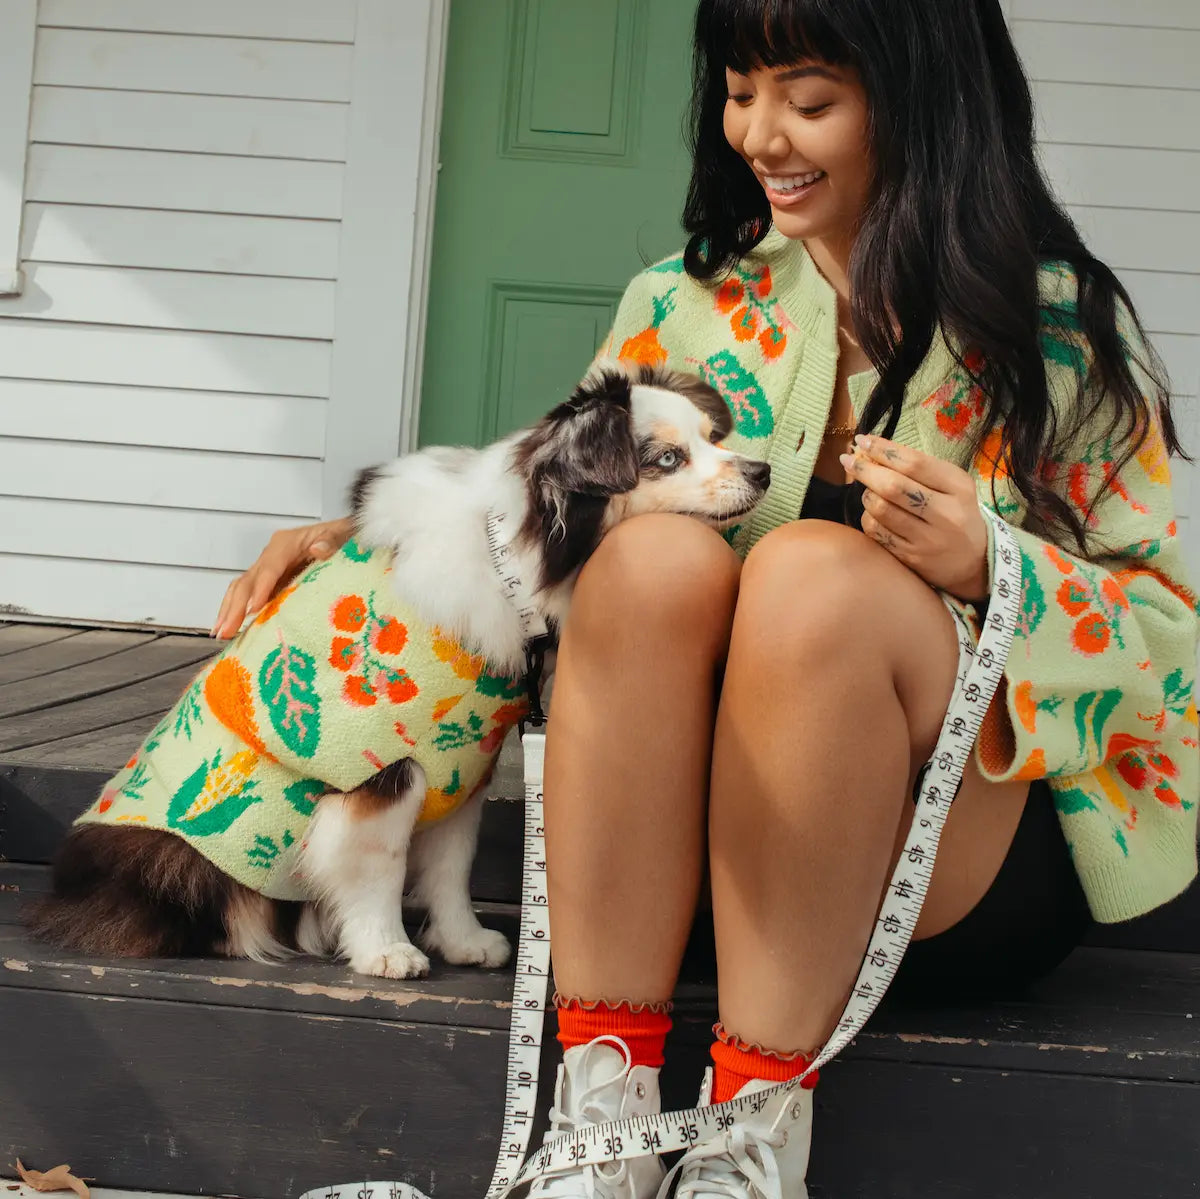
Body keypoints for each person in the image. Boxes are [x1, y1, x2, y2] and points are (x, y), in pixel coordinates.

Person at [212, 1, 1199, 1195]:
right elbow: (539, 506)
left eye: (811, 99)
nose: (762, 135)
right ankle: (605, 1121)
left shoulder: (1054, 335)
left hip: (951, 874)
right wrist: (358, 531)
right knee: (647, 556)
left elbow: (1167, 637)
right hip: (679, 868)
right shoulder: (681, 303)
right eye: (740, 91)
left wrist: (994, 565)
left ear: (923, 103)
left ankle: (750, 1140)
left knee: (811, 576)